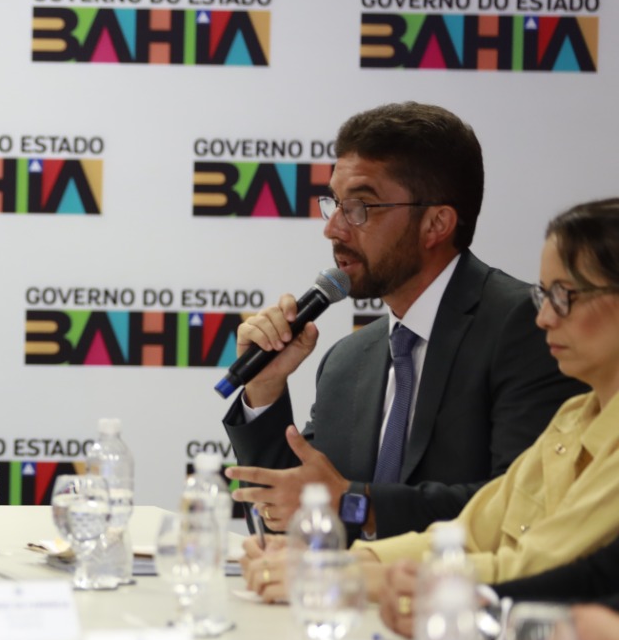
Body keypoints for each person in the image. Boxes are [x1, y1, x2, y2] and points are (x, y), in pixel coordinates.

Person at [223, 102, 582, 543]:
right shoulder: (347, 361)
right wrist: (265, 389)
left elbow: (523, 508)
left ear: (436, 224)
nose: (333, 228)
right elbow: (291, 515)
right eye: (334, 203)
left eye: (360, 207)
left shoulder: (528, 326)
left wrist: (355, 505)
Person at [245, 200, 619, 613]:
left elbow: (546, 568)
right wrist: (341, 564)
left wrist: (352, 576)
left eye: (564, 295)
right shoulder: (574, 418)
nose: (544, 317)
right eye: (544, 294)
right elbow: (472, 532)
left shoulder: (511, 328)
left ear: (436, 222)